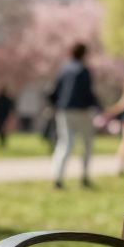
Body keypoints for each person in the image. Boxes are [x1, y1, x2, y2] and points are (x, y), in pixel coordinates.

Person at [48, 43, 101, 189]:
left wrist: (55, 105)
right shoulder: (83, 71)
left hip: (64, 111)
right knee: (86, 144)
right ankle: (84, 177)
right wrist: (98, 107)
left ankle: (57, 177)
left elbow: (55, 91)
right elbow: (88, 93)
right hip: (82, 111)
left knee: (65, 143)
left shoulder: (64, 69)